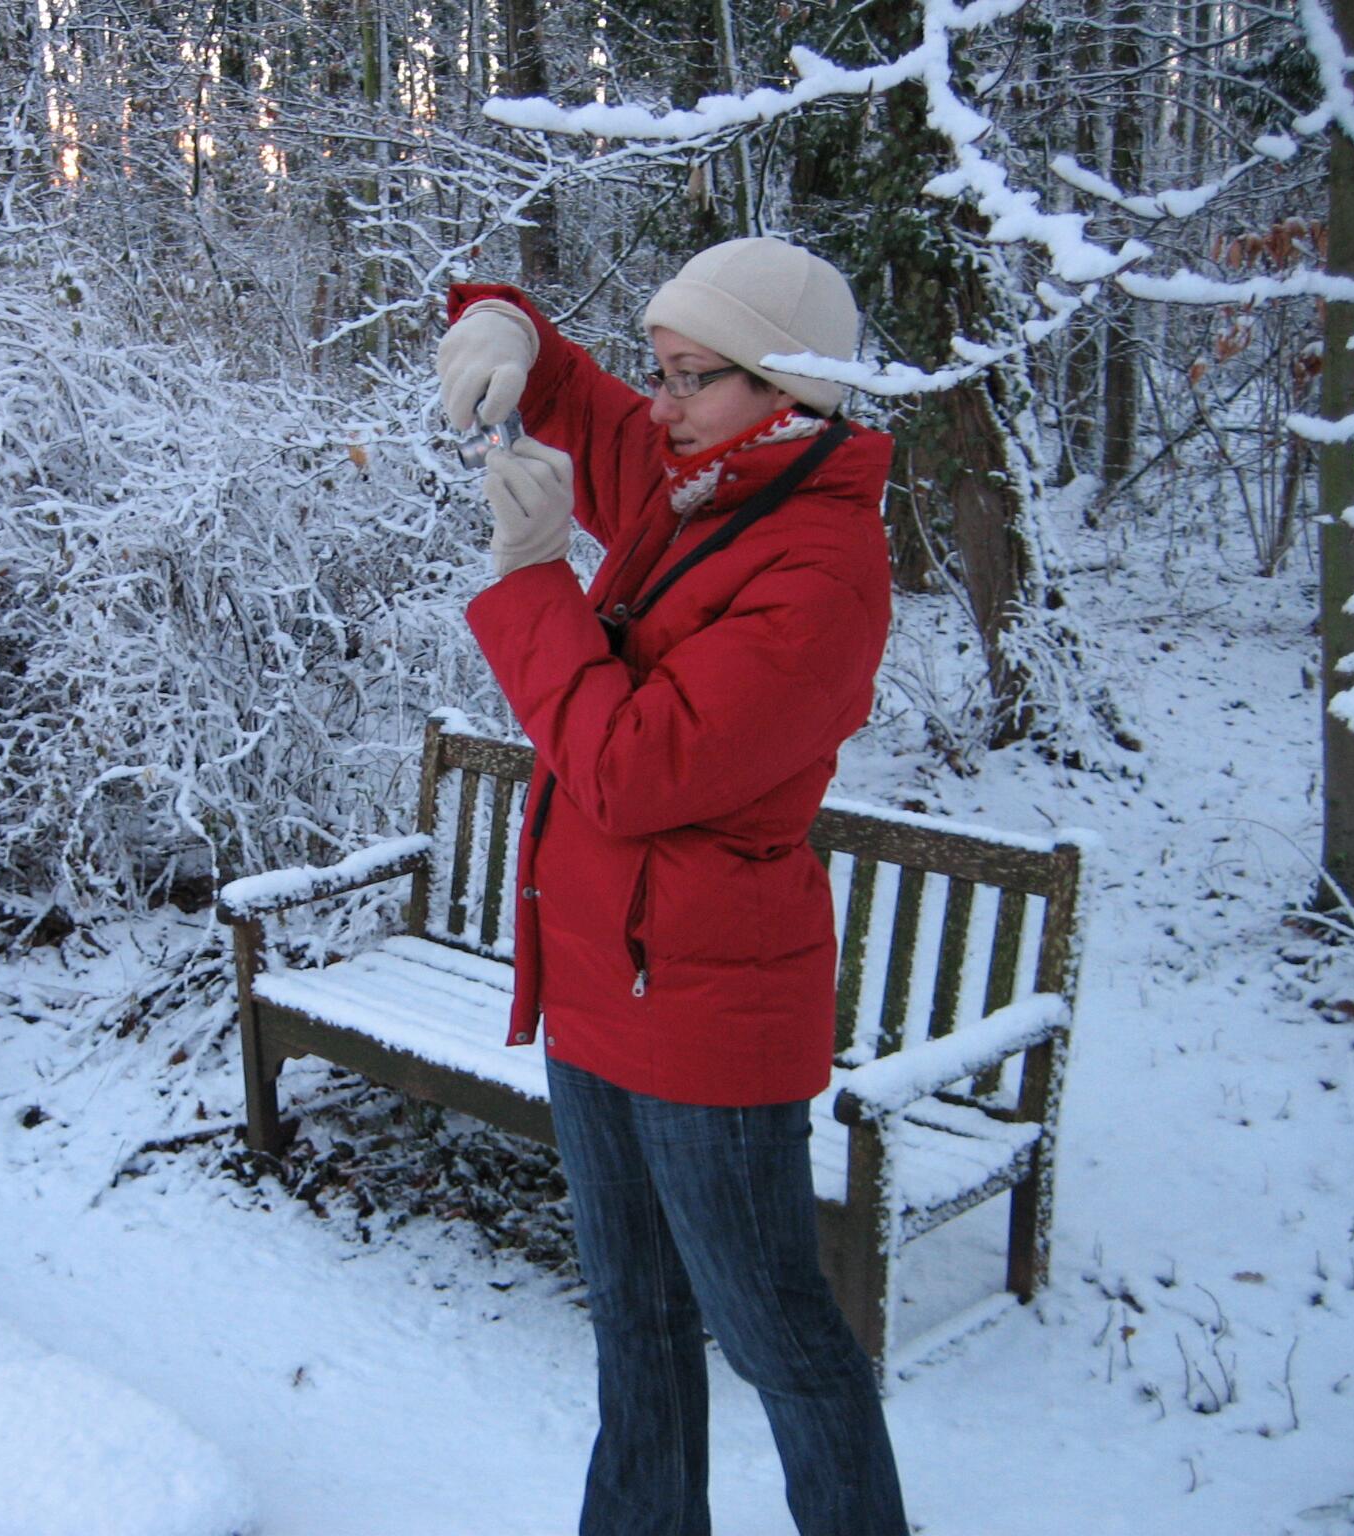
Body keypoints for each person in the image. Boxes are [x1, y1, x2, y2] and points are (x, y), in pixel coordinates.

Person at [434, 237, 908, 1536]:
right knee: (634, 1325)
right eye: (661, 368)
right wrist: (504, 326)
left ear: (788, 393)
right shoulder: (691, 483)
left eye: (694, 377)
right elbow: (573, 396)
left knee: (776, 1338)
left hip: (708, 1018)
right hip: (598, 985)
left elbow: (631, 772)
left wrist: (535, 579)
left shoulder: (820, 571)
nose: (661, 403)